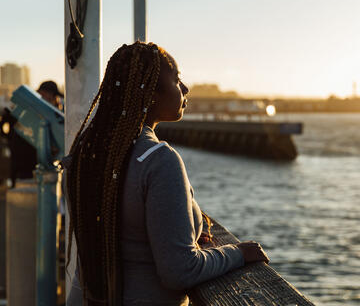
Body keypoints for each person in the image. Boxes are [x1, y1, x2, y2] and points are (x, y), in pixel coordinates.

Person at [65, 42, 269, 306]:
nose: (185, 89)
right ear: (151, 94)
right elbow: (180, 271)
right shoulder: (158, 161)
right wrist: (238, 253)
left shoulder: (88, 152)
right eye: (177, 79)